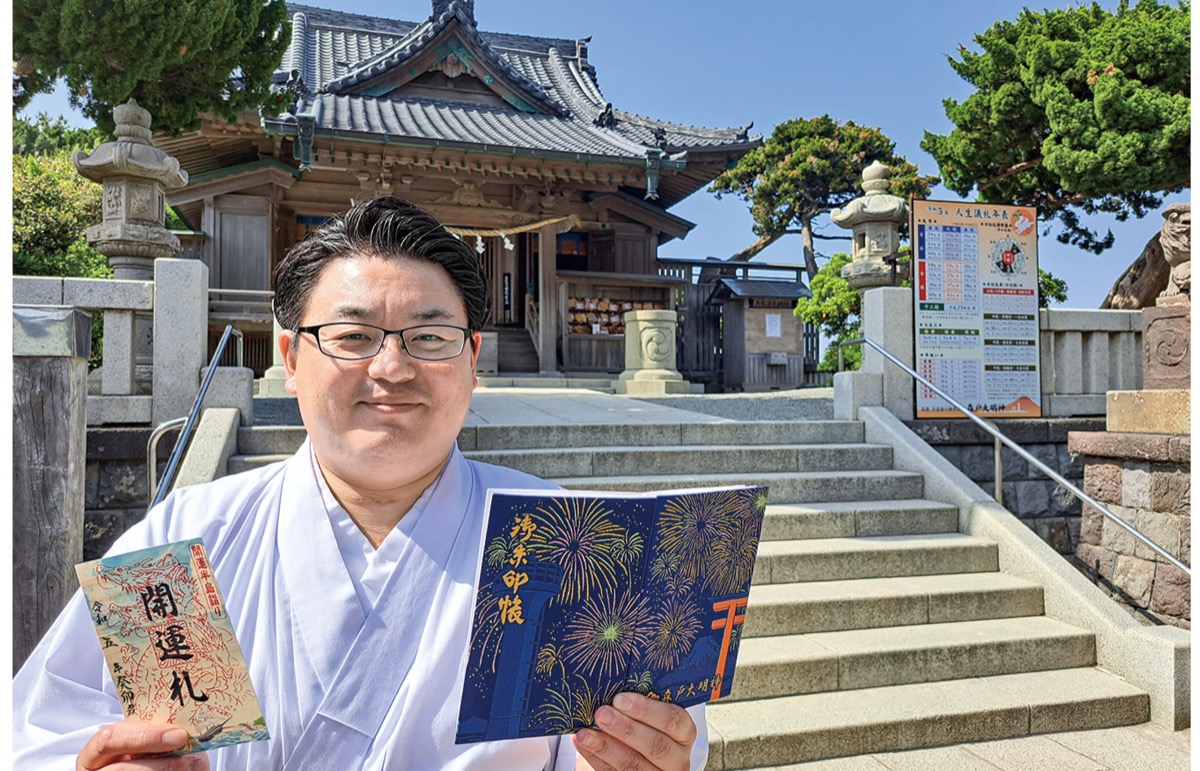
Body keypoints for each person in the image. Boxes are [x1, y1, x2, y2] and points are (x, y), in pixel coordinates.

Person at [13, 197, 706, 770]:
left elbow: (637, 742)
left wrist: (648, 754)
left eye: (429, 337)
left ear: (472, 360)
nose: (392, 367)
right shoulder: (186, 542)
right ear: (291, 357)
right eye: (353, 336)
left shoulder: (576, 543)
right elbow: (41, 732)